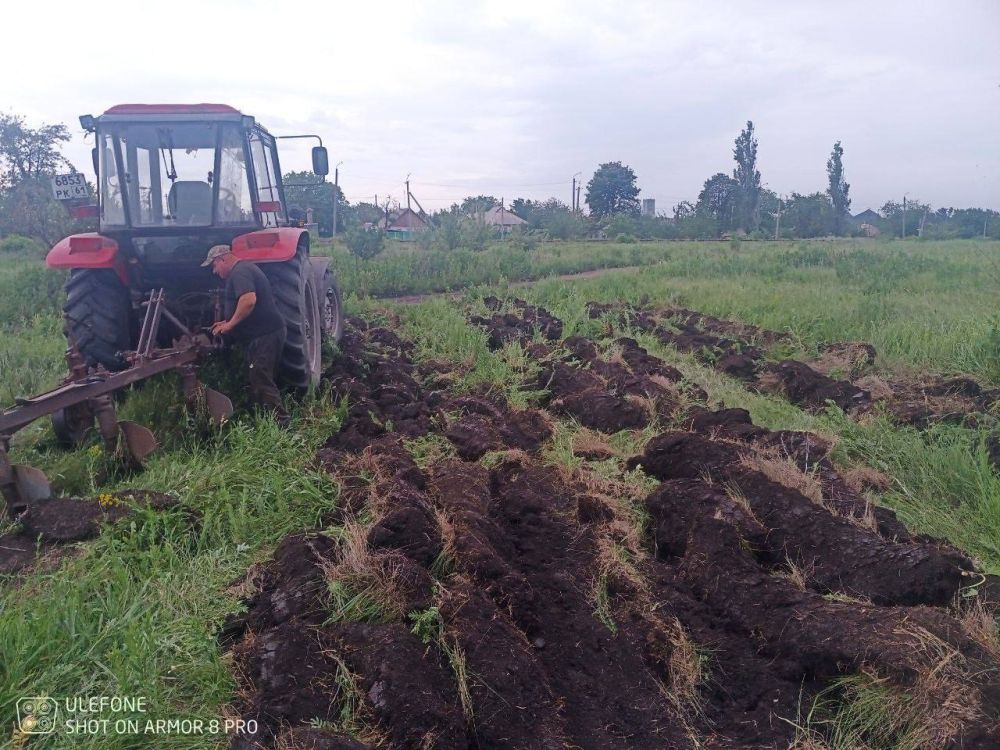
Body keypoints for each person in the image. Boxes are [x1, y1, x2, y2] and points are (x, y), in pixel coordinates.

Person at [202, 244, 291, 426]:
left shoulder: (240, 272)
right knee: (256, 376)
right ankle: (264, 419)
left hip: (266, 334)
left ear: (223, 259)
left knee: (260, 376)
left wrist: (231, 325)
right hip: (262, 334)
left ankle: (282, 425)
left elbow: (249, 300)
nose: (214, 271)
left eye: (214, 266)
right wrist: (226, 322)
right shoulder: (243, 270)